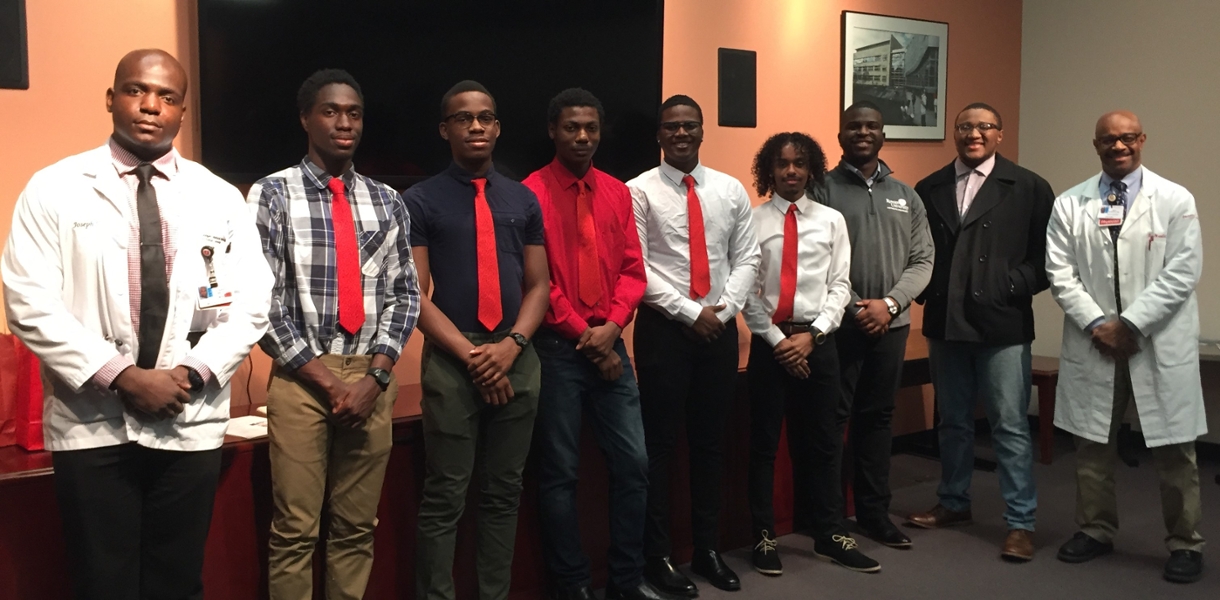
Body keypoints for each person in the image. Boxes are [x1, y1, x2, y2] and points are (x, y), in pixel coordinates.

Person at [1, 49, 272, 599]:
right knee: (103, 581)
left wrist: (192, 374)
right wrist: (123, 376)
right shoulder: (55, 187)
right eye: (135, 90)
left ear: (182, 111)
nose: (150, 106)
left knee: (177, 580)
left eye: (167, 96)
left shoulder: (219, 196)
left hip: (187, 414)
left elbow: (253, 302)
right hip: (93, 421)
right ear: (111, 98)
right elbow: (28, 299)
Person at [250, 69, 421, 600]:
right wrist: (328, 383)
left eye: (353, 113)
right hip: (303, 380)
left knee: (355, 527)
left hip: (370, 377)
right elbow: (264, 303)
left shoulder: (387, 201)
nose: (344, 123)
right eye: (330, 111)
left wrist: (375, 375)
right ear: (306, 118)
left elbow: (406, 295)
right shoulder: (272, 194)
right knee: (295, 530)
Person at [1046, 110, 1206, 583]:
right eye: (1108, 140)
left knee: (1176, 450)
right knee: (1093, 445)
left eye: (1127, 138)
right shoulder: (1070, 203)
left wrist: (1131, 324)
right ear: (1095, 145)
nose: (1119, 146)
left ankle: (1185, 543)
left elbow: (1183, 271)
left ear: (1142, 140)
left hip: (1156, 341)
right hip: (1095, 341)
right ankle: (1095, 530)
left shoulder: (1175, 199)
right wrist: (1099, 323)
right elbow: (1059, 273)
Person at [407, 80, 550, 600]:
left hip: (516, 353)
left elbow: (539, 286)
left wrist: (510, 346)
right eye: (463, 118)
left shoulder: (523, 198)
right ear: (445, 129)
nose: (475, 126)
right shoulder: (419, 199)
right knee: (445, 496)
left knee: (503, 494)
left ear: (497, 127)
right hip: (453, 356)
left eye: (485, 117)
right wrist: (473, 357)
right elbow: (416, 296)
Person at [521, 88, 666, 600]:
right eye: (571, 127)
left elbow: (633, 270)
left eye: (591, 128)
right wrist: (585, 335)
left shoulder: (616, 191)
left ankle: (625, 582)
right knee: (560, 473)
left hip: (611, 341)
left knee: (634, 465)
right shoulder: (529, 193)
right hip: (558, 350)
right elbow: (536, 281)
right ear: (553, 131)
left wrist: (613, 329)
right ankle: (572, 585)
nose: (582, 137)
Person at [908, 102, 1053, 562]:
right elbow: (918, 250)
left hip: (1003, 322)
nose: (975, 133)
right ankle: (954, 502)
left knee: (1009, 425)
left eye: (984, 126)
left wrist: (1011, 284)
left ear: (1000, 134)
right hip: (946, 320)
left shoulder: (1028, 186)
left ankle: (1020, 522)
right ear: (954, 133)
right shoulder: (928, 187)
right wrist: (924, 291)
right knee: (951, 420)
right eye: (966, 126)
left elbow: (1048, 256)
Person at [628, 94, 760, 596]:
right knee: (658, 448)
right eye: (671, 127)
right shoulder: (636, 190)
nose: (680, 134)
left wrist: (721, 313)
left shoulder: (729, 190)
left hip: (718, 331)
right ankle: (657, 556)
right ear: (658, 135)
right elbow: (636, 268)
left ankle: (707, 549)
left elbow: (746, 258)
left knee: (710, 444)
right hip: (665, 331)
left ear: (702, 132)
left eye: (689, 126)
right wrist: (690, 312)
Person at [741, 132, 876, 576]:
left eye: (799, 164)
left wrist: (813, 336)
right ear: (770, 171)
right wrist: (780, 342)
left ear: (812, 169)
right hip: (770, 346)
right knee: (763, 443)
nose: (791, 171)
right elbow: (747, 292)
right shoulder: (753, 222)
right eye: (782, 164)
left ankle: (830, 532)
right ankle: (763, 535)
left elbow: (840, 285)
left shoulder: (831, 220)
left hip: (819, 345)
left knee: (823, 443)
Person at [815, 101, 933, 552]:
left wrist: (888, 304)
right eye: (854, 126)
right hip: (838, 327)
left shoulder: (907, 194)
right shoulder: (822, 189)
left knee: (878, 420)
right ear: (840, 134)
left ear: (884, 135)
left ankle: (874, 514)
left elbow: (923, 259)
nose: (863, 133)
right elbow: (815, 263)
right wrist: (852, 311)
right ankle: (827, 517)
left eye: (872, 127)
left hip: (892, 325)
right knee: (832, 420)